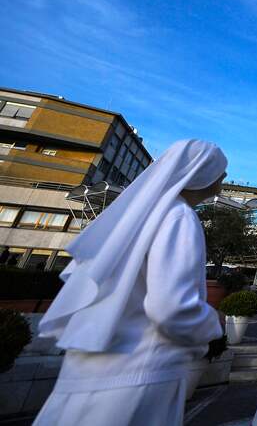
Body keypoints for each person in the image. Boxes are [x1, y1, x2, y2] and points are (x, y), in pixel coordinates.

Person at [34, 139, 228, 426]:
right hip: (141, 373)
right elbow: (171, 308)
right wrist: (213, 323)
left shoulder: (138, 216)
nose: (222, 184)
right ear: (203, 174)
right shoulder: (179, 217)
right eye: (221, 175)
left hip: (88, 370)